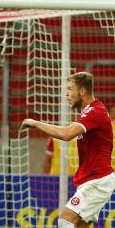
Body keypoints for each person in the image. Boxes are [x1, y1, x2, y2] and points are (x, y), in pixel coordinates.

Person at [22, 72, 115, 228]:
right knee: (79, 225)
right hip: (93, 179)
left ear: (82, 91)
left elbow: (66, 134)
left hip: (97, 180)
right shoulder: (90, 111)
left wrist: (36, 123)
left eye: (70, 89)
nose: (66, 94)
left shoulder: (94, 112)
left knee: (65, 220)